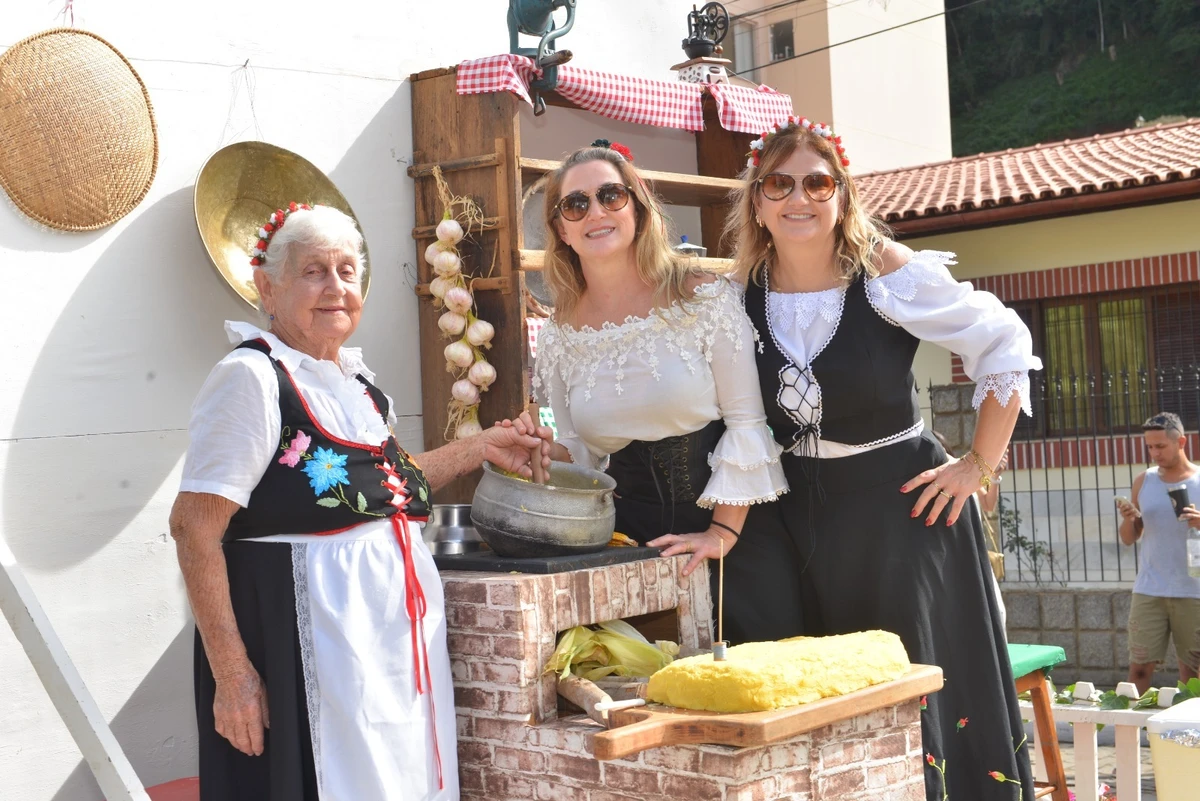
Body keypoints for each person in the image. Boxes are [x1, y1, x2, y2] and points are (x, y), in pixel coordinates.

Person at [170, 204, 549, 801]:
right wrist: (234, 676)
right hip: (309, 644)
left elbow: (383, 487)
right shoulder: (252, 379)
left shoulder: (357, 384)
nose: (335, 287)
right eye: (314, 271)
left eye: (348, 272)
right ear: (268, 288)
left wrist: (483, 447)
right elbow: (194, 529)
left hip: (388, 643)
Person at [719, 117, 1041, 801]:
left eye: (816, 181)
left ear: (841, 194)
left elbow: (1004, 340)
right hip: (795, 518)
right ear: (757, 200)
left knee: (914, 695)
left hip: (902, 516)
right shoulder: (739, 295)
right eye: (778, 183)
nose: (797, 197)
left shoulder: (885, 273)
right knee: (826, 702)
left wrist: (978, 465)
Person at [531, 140, 788, 575]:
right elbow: (581, 450)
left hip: (731, 539)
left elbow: (747, 423)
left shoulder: (702, 299)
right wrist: (542, 453)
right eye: (575, 204)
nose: (596, 212)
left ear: (637, 207)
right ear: (561, 230)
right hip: (628, 547)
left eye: (611, 195)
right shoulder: (559, 335)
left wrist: (721, 534)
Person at [1117, 411, 1200, 694]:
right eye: (1149, 447)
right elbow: (1129, 539)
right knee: (1139, 667)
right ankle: (1131, 735)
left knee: (1192, 674)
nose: (1154, 453)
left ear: (1181, 442)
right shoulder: (1144, 481)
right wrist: (1130, 518)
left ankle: (1190, 734)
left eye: (1160, 446)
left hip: (1193, 590)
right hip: (1149, 589)